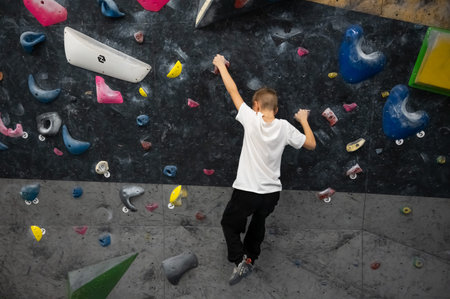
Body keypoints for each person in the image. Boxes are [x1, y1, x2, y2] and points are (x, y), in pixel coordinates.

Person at [212, 54, 316, 286]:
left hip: (247, 191)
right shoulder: (285, 127)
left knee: (229, 224)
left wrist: (220, 65)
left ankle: (239, 260)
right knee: (258, 223)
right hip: (271, 194)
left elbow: (233, 91)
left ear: (256, 106)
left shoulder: (251, 118)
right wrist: (304, 119)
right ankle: (250, 257)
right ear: (276, 109)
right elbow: (311, 144)